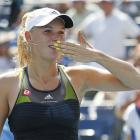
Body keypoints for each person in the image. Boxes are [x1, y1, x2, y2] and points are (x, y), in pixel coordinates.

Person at [0, 7, 140, 140]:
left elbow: (136, 81)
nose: (56, 37)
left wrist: (97, 56)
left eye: (61, 32)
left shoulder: (77, 76)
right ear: (28, 36)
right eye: (47, 31)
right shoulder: (7, 83)